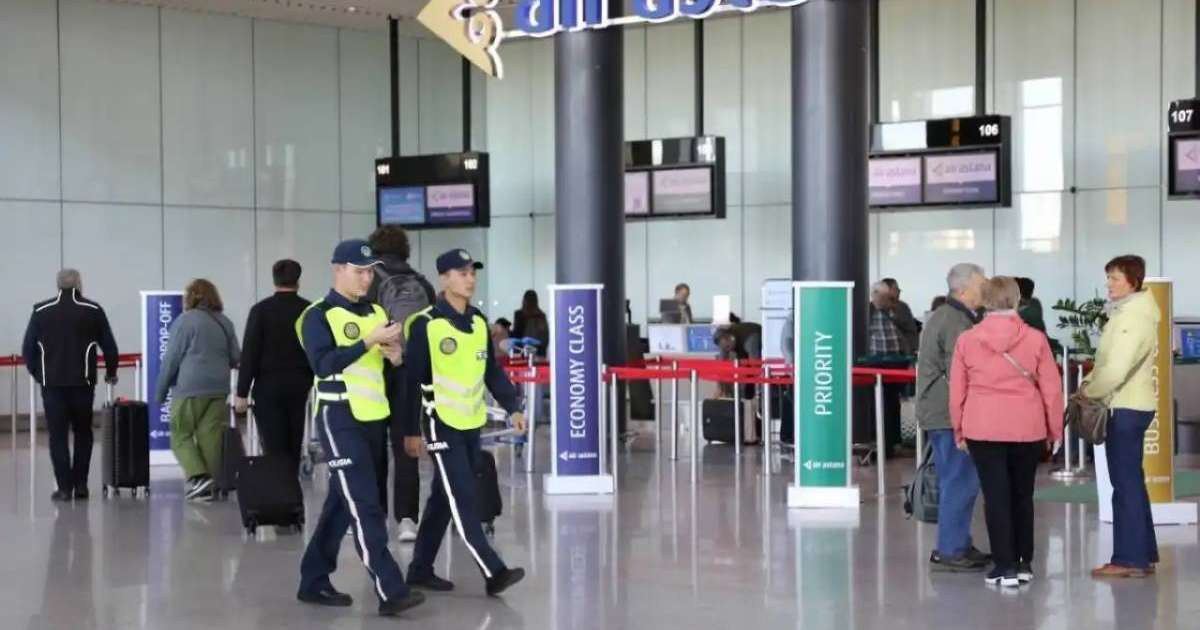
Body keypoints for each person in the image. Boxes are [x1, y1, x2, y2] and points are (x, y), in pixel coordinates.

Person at [295, 239, 425, 616]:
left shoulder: (375, 312)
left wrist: (396, 358)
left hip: (373, 420)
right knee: (366, 505)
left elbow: (383, 369)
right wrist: (369, 341)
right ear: (337, 270)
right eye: (359, 271)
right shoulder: (317, 315)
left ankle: (313, 579)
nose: (366, 278)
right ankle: (391, 589)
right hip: (339, 419)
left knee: (342, 503)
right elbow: (323, 364)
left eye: (370, 271)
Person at [401, 249, 527, 597]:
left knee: (443, 498)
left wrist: (513, 406)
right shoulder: (426, 324)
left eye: (472, 272)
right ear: (444, 278)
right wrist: (411, 431)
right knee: (463, 495)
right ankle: (493, 570)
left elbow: (492, 373)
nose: (470, 278)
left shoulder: (477, 322)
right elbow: (412, 381)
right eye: (461, 272)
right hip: (439, 423)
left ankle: (420, 568)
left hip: (470, 424)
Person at [949, 276, 1063, 588]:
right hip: (1027, 427)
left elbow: (958, 389)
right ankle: (1025, 562)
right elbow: (1052, 390)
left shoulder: (968, 339)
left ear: (985, 301)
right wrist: (1055, 430)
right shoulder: (1036, 339)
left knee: (995, 496)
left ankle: (1004, 565)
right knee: (1022, 495)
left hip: (982, 427)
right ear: (1017, 301)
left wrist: (959, 428)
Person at [1083, 255, 1161, 579]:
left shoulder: (1132, 318)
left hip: (1125, 407)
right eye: (1109, 277)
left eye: (1115, 278)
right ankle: (1143, 553)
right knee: (1132, 482)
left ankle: (1129, 559)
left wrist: (1088, 392)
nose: (1109, 284)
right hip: (1133, 405)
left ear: (1133, 280)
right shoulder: (1133, 313)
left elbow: (1116, 369)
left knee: (1124, 484)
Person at [21, 269, 119, 501]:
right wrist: (111, 373)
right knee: (83, 433)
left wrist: (40, 376)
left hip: (52, 385)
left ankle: (64, 488)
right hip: (83, 384)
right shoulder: (93, 311)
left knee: (57, 436)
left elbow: (28, 351)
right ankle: (81, 486)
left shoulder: (41, 311)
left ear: (57, 286)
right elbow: (110, 348)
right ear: (79, 284)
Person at [916, 262, 989, 572]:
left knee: (957, 479)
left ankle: (956, 542)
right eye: (980, 284)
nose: (984, 289)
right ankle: (950, 549)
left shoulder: (951, 317)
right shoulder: (955, 321)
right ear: (962, 290)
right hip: (948, 414)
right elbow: (963, 371)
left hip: (942, 411)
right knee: (960, 479)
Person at [367, 225, 436, 544]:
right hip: (412, 371)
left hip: (378, 370)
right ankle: (407, 518)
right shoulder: (421, 282)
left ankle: (376, 514)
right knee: (407, 443)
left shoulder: (370, 280)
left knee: (374, 445)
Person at [155, 279, 240, 502]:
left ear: (190, 297)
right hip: (219, 388)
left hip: (190, 388)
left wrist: (160, 391)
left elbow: (172, 358)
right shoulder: (225, 322)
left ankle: (198, 477)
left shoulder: (186, 321)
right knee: (209, 436)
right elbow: (236, 357)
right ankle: (210, 486)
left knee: (180, 434)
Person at [235, 260, 313, 474]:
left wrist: (241, 393)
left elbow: (250, 353)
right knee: (294, 439)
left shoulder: (260, 310)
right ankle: (292, 485)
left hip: (267, 388)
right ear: (298, 281)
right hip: (299, 386)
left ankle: (279, 491)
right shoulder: (309, 310)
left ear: (274, 280)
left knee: (273, 444)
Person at [882, 278, 920, 352]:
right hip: (880, 354)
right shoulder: (873, 308)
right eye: (896, 289)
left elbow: (912, 332)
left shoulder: (903, 307)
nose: (899, 292)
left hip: (903, 354)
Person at [868, 282, 904, 355]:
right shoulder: (867, 311)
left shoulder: (895, 309)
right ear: (873, 295)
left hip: (897, 358)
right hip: (875, 359)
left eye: (885, 296)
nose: (883, 299)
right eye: (881, 295)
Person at [512, 289, 550, 356]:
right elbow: (545, 338)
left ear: (524, 300)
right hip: (538, 351)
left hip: (522, 350)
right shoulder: (541, 315)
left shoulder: (519, 314)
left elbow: (516, 334)